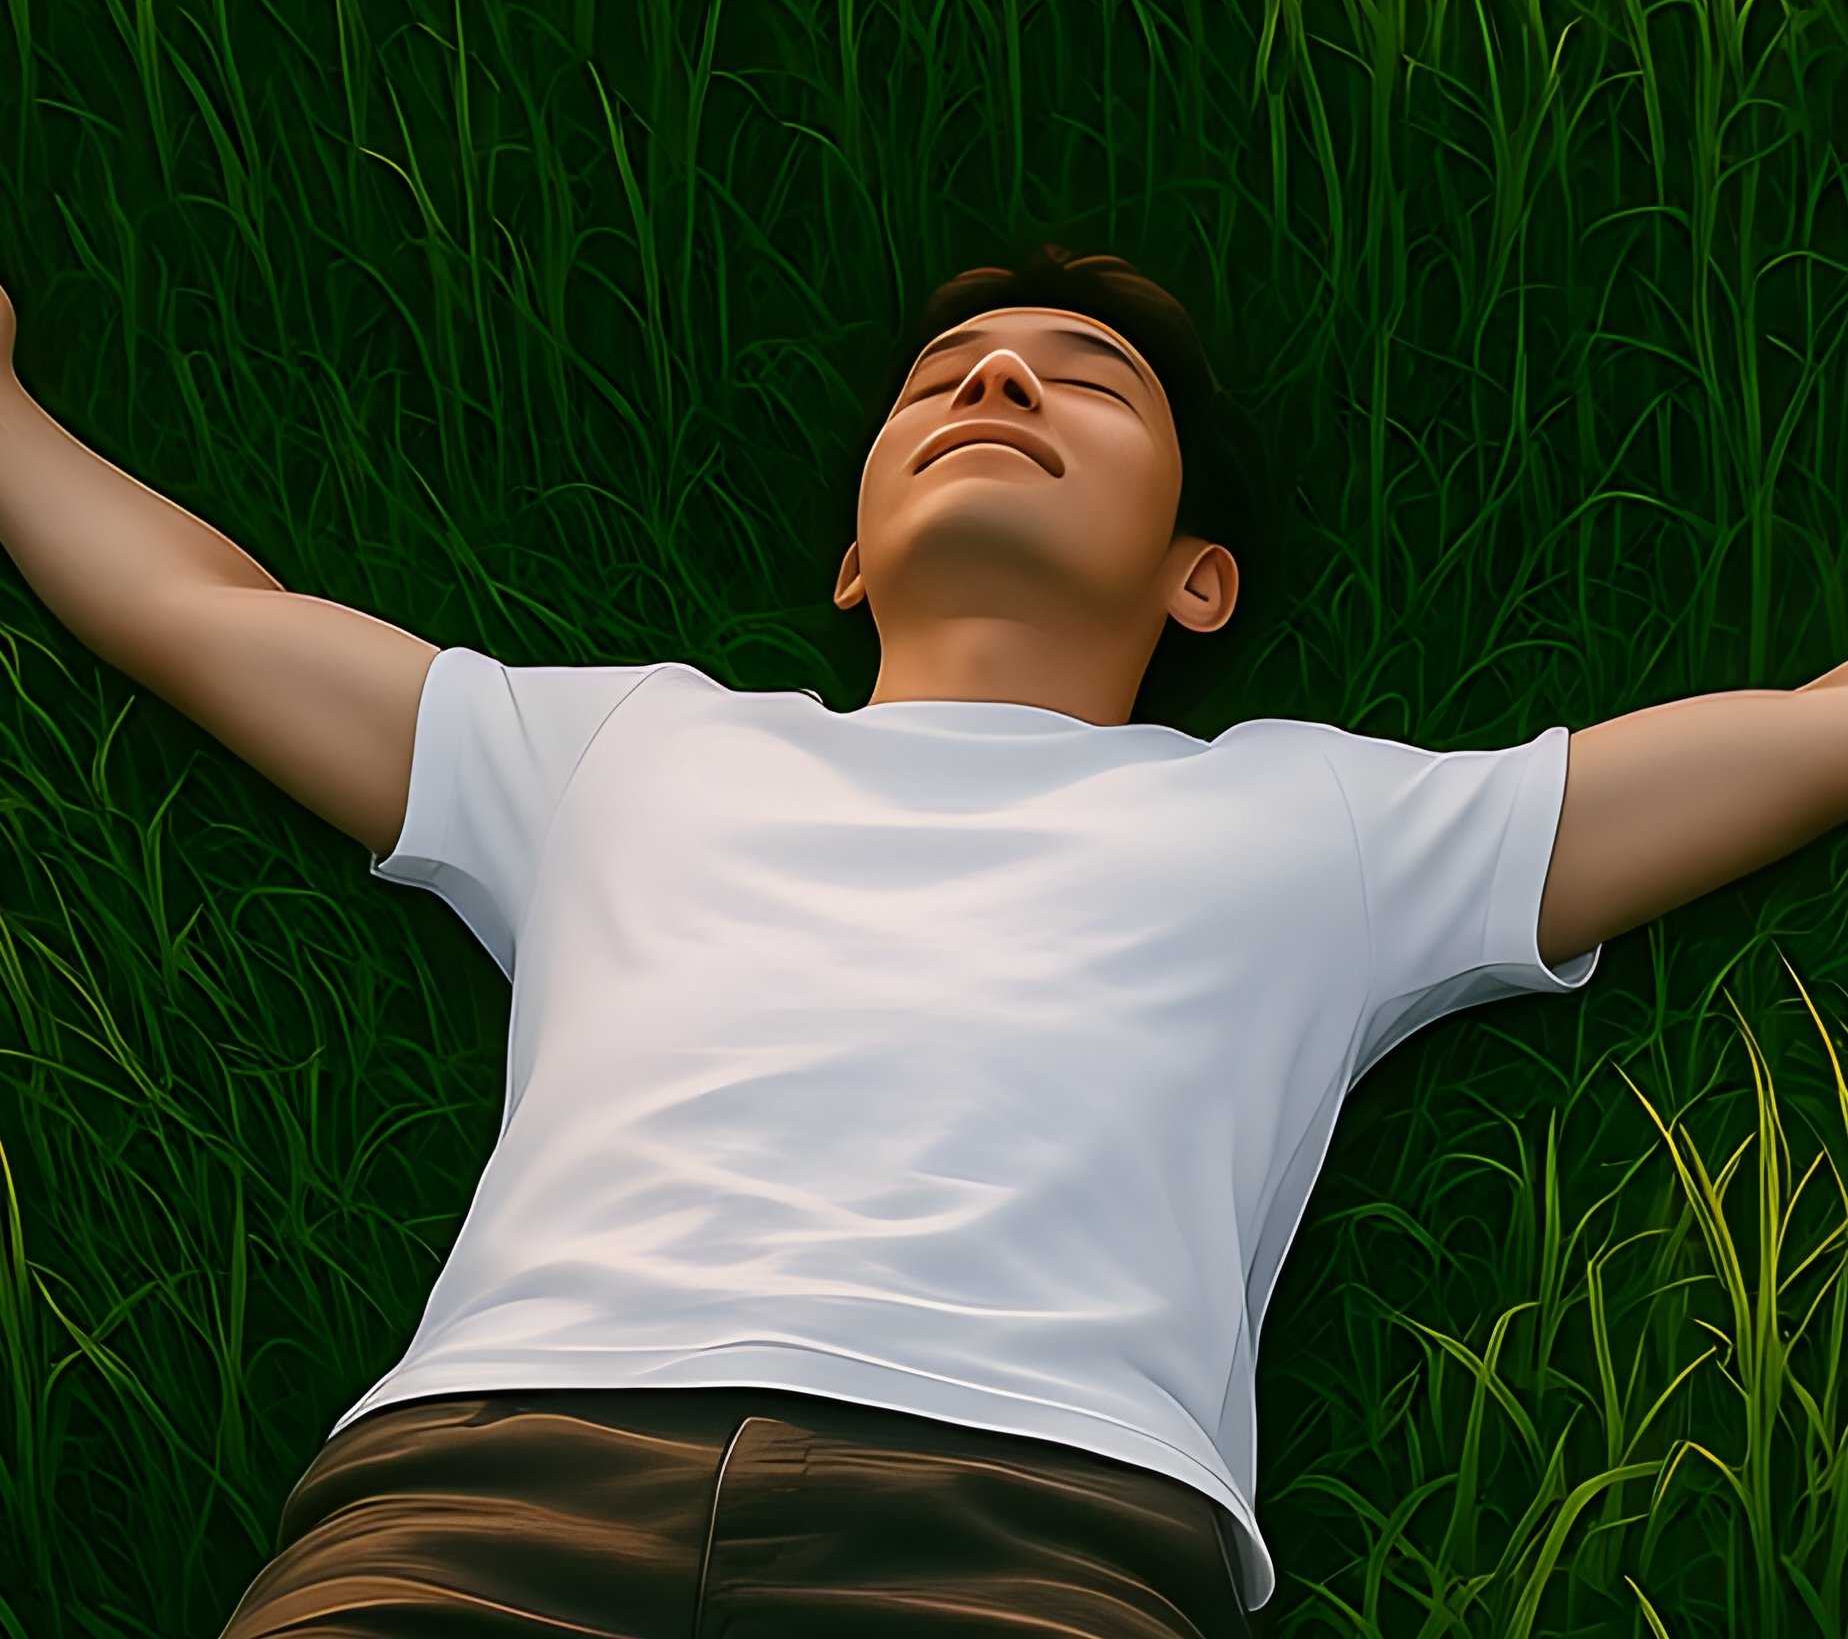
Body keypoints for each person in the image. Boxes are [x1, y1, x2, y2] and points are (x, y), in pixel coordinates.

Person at [5, 244, 1845, 1636]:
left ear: (1199, 576)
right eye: (943, 376)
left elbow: (1801, 735)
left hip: (1032, 1524)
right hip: (481, 1490)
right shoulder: (622, 741)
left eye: (1086, 382)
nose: (995, 389)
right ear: (854, 563)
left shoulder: (1330, 816)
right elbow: (205, 614)